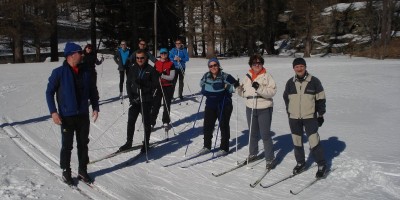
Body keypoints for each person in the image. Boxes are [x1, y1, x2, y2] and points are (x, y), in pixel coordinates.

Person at [45, 42, 100, 185]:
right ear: (71, 55)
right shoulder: (58, 72)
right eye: (79, 52)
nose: (82, 55)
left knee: (83, 144)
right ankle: (66, 171)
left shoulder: (86, 71)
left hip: (82, 115)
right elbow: (49, 92)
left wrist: (95, 106)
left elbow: (93, 90)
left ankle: (82, 170)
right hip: (66, 116)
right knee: (67, 145)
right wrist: (53, 112)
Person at [283, 57, 327, 178]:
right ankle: (300, 163)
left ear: (305, 67)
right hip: (294, 118)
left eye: (301, 66)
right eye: (297, 67)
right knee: (297, 141)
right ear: (294, 68)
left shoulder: (314, 81)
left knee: (313, 141)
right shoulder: (290, 83)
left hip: (310, 117)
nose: (299, 69)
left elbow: (321, 99)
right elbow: (286, 98)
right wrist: (290, 112)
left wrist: (320, 114)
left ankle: (322, 164)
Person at [236, 54, 277, 169]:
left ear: (262, 64)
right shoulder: (247, 76)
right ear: (251, 65)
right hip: (250, 107)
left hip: (264, 107)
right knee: (252, 133)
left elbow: (272, 92)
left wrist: (259, 88)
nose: (257, 65)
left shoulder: (267, 76)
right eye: (254, 63)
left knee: (265, 134)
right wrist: (238, 89)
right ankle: (253, 153)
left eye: (259, 63)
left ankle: (270, 159)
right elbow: (244, 94)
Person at [118, 49, 158, 153]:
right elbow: (128, 83)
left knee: (146, 122)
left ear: (146, 58)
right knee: (131, 121)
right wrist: (131, 98)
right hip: (135, 99)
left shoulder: (151, 69)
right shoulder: (132, 68)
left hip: (146, 99)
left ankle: (146, 143)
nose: (139, 60)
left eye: (142, 58)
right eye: (137, 58)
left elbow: (155, 85)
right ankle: (128, 142)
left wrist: (144, 84)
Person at [198, 58, 239, 156]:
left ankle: (224, 148)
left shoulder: (225, 76)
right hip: (210, 104)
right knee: (208, 126)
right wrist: (208, 88)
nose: (213, 67)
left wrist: (227, 87)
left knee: (223, 126)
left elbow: (236, 86)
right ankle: (207, 146)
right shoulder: (206, 75)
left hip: (224, 104)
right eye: (211, 66)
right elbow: (201, 84)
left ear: (218, 65)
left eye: (215, 65)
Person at [150, 48, 176, 129]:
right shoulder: (156, 63)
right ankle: (152, 122)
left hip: (167, 86)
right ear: (160, 54)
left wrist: (162, 75)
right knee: (155, 105)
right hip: (158, 86)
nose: (163, 55)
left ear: (167, 54)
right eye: (162, 53)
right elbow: (153, 75)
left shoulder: (171, 64)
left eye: (165, 53)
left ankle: (166, 121)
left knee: (167, 104)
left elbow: (171, 77)